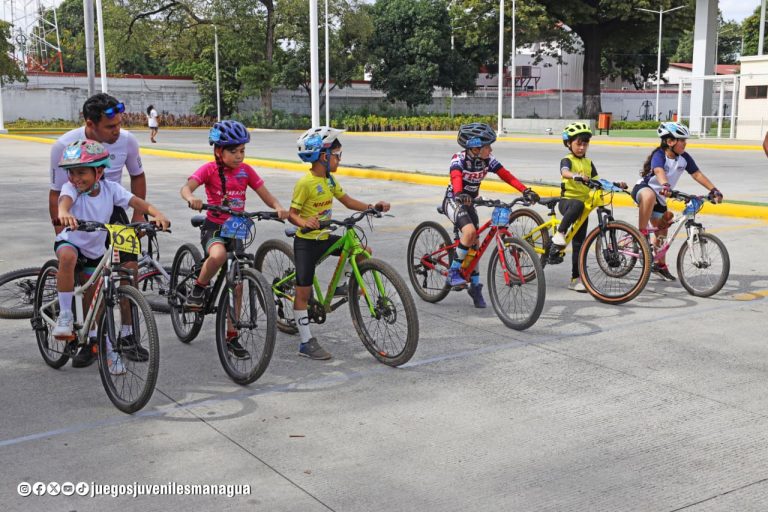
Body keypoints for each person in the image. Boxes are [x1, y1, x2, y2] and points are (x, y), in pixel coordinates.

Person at [53, 140, 170, 375]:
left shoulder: (111, 189)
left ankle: (104, 345)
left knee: (95, 301)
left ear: (99, 172)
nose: (75, 178)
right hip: (72, 241)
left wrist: (157, 214)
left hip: (96, 250)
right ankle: (65, 315)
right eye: (71, 172)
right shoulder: (70, 189)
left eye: (81, 173)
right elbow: (64, 202)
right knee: (67, 257)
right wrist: (63, 213)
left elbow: (136, 202)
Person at [49, 93, 148, 368]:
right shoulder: (64, 146)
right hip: (78, 209)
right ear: (90, 124)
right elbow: (57, 193)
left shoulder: (127, 140)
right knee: (87, 278)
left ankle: (128, 335)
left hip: (113, 207)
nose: (118, 130)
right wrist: (61, 231)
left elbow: (137, 176)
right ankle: (91, 339)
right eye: (110, 126)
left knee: (129, 270)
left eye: (119, 124)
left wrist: (139, 215)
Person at [180, 120, 288, 359]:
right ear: (219, 151)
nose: (239, 156)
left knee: (237, 284)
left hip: (236, 229)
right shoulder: (209, 169)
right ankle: (199, 288)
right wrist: (191, 198)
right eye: (233, 151)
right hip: (214, 228)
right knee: (218, 255)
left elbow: (265, 194)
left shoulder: (246, 171)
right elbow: (186, 188)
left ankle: (232, 335)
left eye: (242, 151)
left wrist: (278, 206)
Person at [290, 126, 390, 360]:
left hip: (324, 237)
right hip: (307, 242)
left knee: (363, 251)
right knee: (302, 293)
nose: (340, 159)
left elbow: (347, 201)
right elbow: (292, 214)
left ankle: (340, 286)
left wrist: (371, 207)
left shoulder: (330, 180)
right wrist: (305, 222)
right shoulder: (305, 183)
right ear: (323, 157)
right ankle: (305, 342)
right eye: (337, 155)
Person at [443, 122, 539, 307]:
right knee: (470, 233)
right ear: (475, 148)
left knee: (475, 246)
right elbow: (456, 177)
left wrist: (525, 190)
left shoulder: (488, 160)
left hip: (470, 202)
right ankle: (452, 272)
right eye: (487, 146)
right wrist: (460, 193)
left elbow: (506, 175)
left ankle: (475, 286)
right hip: (454, 200)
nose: (491, 149)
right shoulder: (459, 159)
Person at [631, 122, 723, 281]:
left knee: (663, 229)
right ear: (670, 142)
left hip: (661, 197)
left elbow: (697, 174)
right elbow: (659, 170)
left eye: (685, 140)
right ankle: (640, 235)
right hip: (644, 190)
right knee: (650, 195)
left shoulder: (684, 158)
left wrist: (714, 190)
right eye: (682, 140)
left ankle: (660, 265)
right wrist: (665, 184)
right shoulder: (659, 155)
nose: (685, 143)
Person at [554, 123, 626, 293]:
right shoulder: (567, 160)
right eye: (578, 144)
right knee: (577, 204)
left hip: (583, 206)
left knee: (579, 243)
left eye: (585, 144)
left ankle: (576, 278)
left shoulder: (588, 162)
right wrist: (575, 176)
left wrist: (615, 184)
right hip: (568, 202)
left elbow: (597, 181)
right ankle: (560, 232)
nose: (581, 147)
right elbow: (564, 172)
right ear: (568, 143)